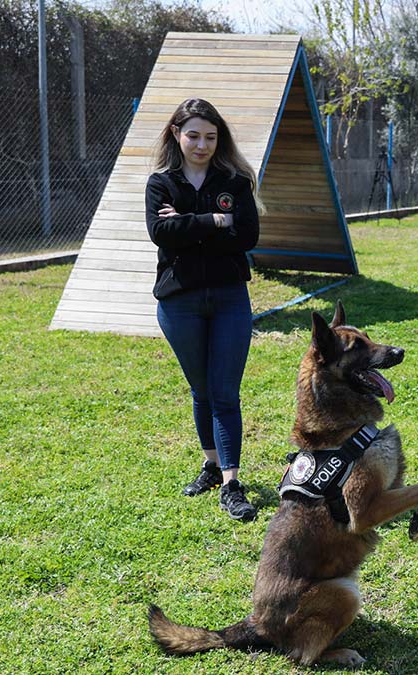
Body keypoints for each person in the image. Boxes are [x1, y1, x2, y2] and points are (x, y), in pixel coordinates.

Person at [145, 98, 264, 522]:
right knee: (202, 391)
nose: (202, 145)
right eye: (193, 135)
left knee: (225, 393)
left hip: (230, 299)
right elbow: (161, 232)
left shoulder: (235, 182)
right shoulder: (161, 184)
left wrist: (188, 223)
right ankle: (212, 465)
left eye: (210, 137)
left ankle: (232, 484)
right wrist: (215, 221)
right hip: (180, 302)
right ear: (176, 134)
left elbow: (247, 237)